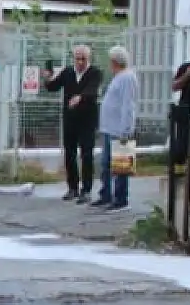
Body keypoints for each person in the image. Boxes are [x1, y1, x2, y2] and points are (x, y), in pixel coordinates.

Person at [41, 45, 102, 202]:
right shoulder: (68, 72)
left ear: (89, 59)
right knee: (70, 153)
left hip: (87, 120)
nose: (80, 62)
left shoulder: (95, 72)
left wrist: (80, 97)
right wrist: (47, 78)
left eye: (83, 58)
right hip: (70, 119)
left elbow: (92, 89)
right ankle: (72, 187)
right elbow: (53, 87)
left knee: (87, 154)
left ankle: (86, 189)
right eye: (78, 58)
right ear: (73, 58)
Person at [91, 46, 141, 212]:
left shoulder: (127, 78)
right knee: (106, 164)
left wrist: (126, 129)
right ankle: (106, 194)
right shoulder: (118, 77)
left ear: (114, 62)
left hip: (120, 129)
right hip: (109, 128)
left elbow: (128, 105)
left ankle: (120, 198)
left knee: (121, 165)